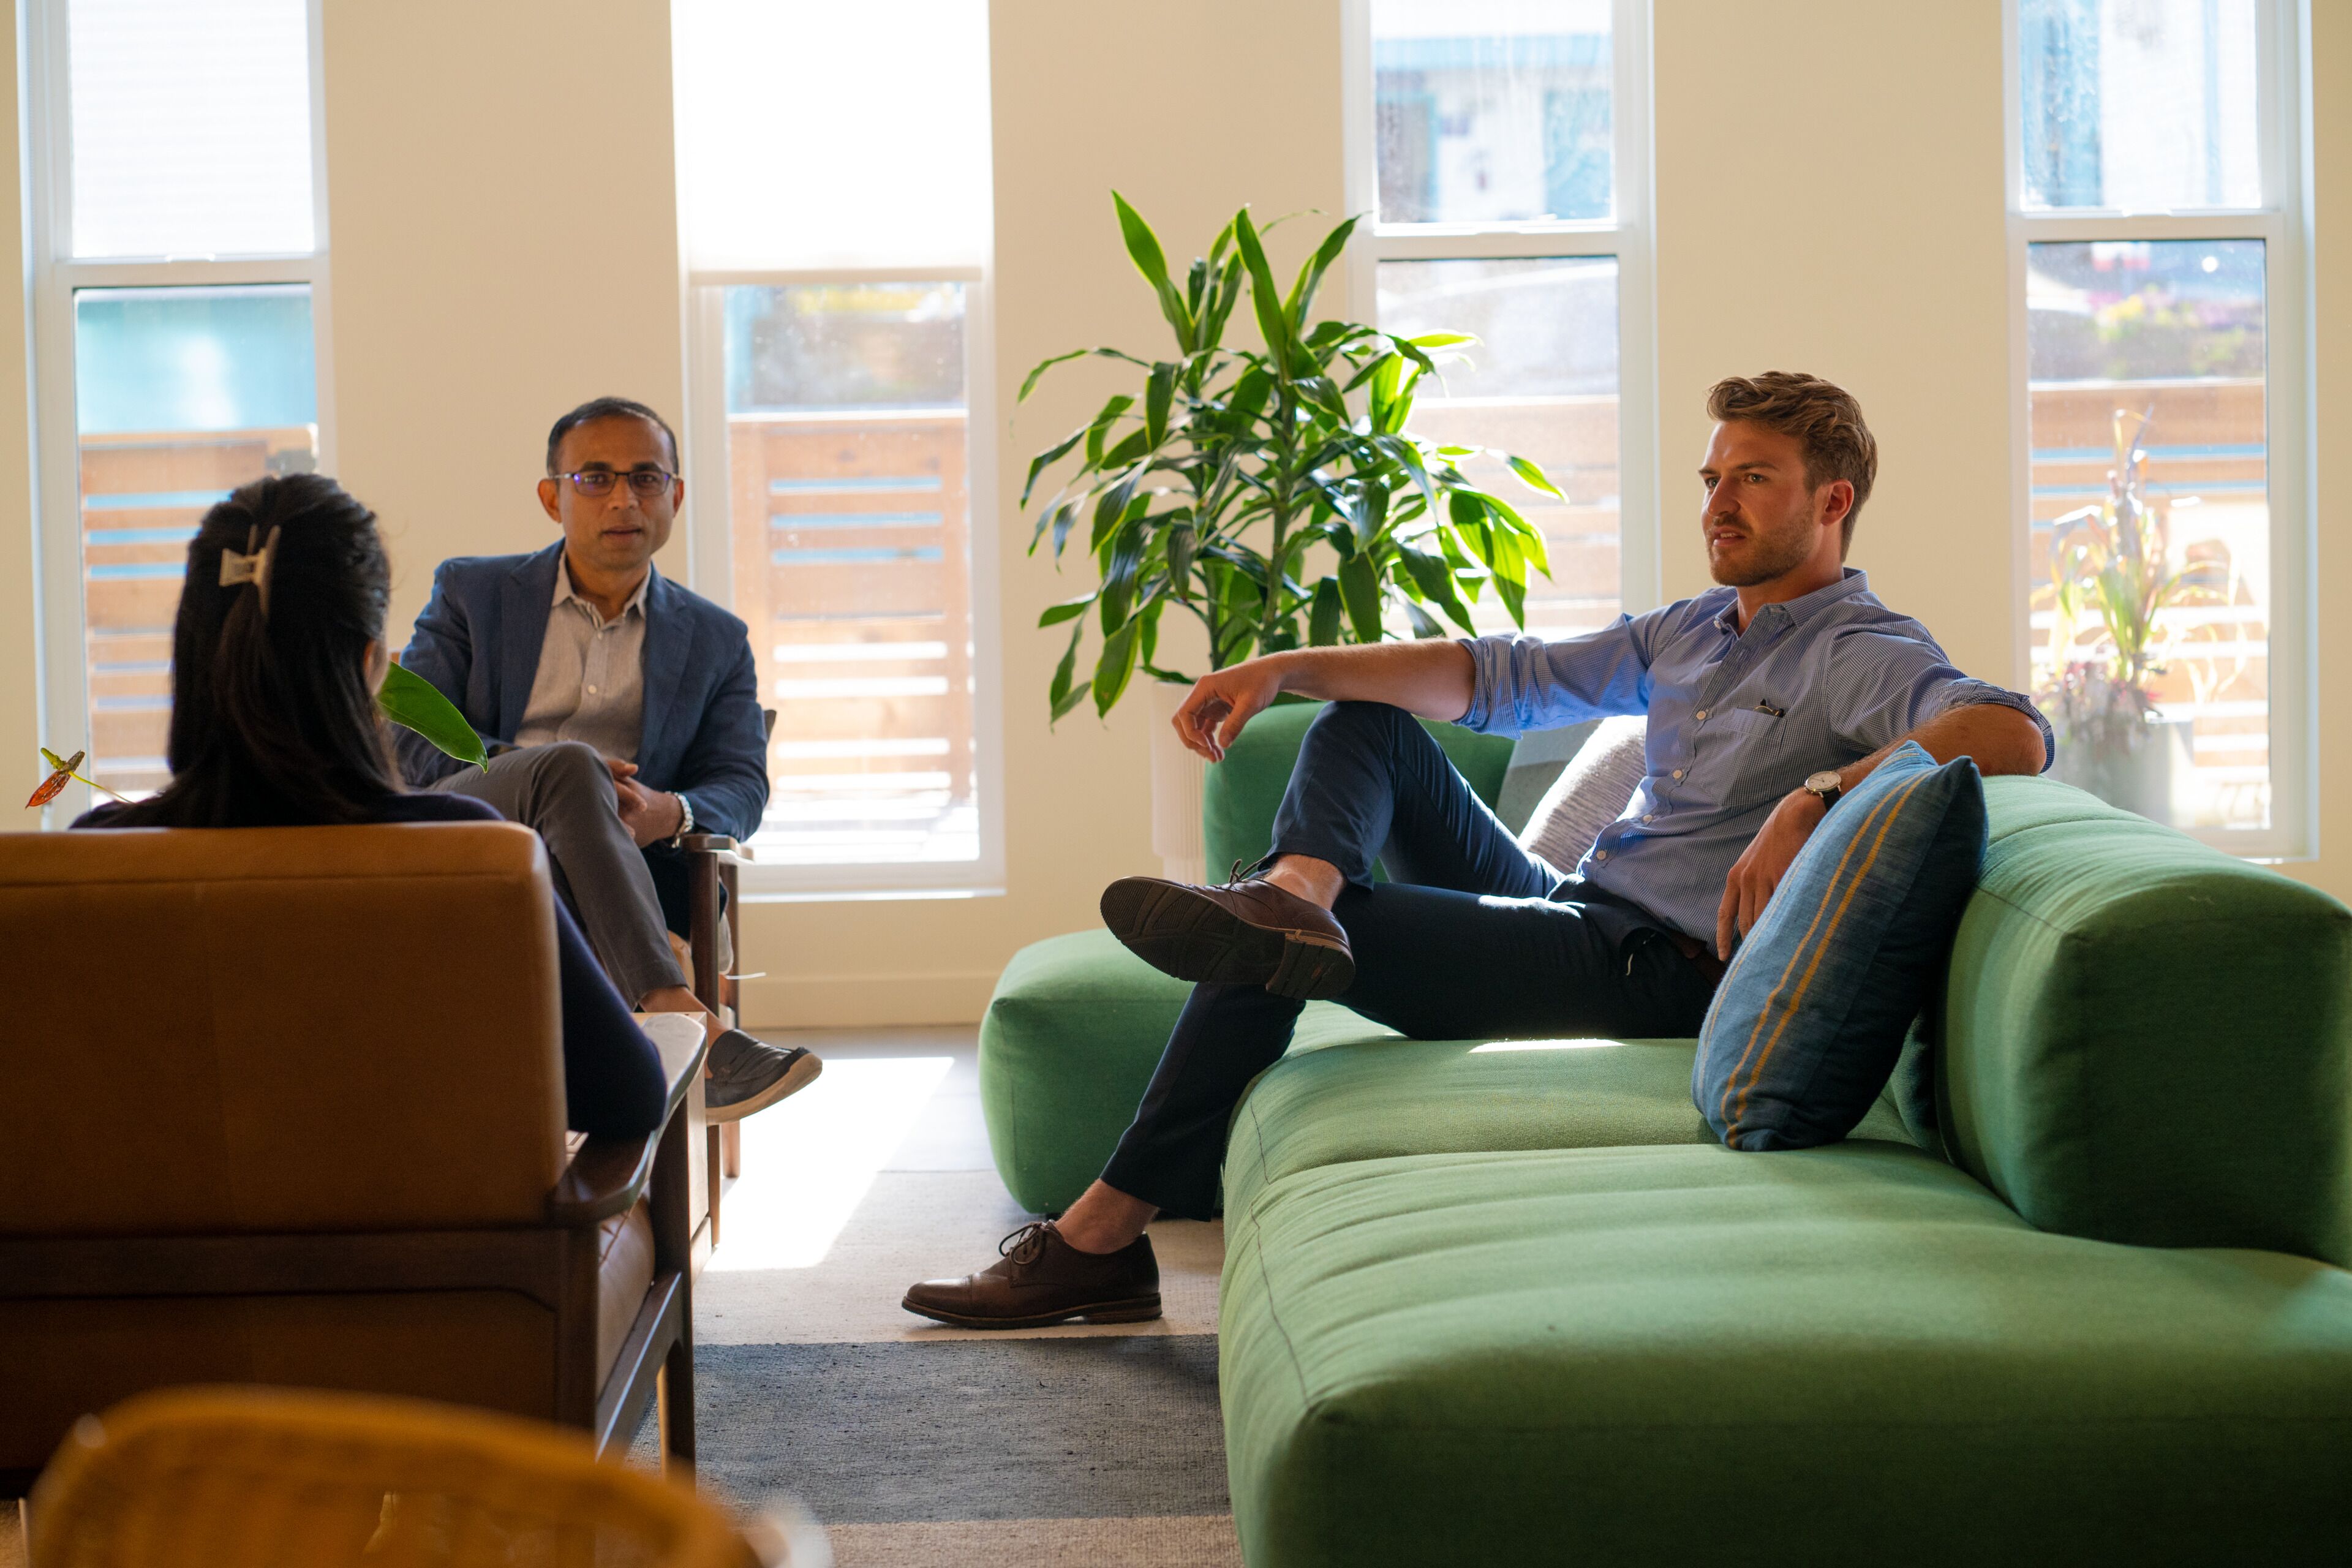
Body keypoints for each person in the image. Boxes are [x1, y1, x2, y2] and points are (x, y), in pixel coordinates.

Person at [904, 371, 2056, 1329]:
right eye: (1712, 478)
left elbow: (2010, 729)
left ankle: (1099, 1235)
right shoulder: (1694, 628)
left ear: (1833, 499)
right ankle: (1294, 893)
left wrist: (1819, 791)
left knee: (1285, 950)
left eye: (1752, 479)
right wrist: (1285, 666)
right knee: (1368, 729)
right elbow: (1490, 677)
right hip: (1582, 906)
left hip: (1658, 970)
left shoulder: (1862, 646)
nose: (1718, 503)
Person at [75, 473, 671, 1139]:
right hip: (428, 1242)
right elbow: (627, 1097)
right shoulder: (471, 856)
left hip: (158, 1245)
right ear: (370, 665)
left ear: (191, 652)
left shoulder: (94, 860)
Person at [394, 396, 818, 1123]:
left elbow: (742, 782)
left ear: (675, 496)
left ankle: (605, 1102)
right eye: (595, 478)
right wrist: (565, 777)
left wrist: (669, 811)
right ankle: (687, 1024)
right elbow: (414, 736)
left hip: (630, 865)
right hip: (480, 828)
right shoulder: (472, 593)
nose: (624, 498)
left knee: (572, 795)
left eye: (646, 478)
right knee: (570, 766)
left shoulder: (717, 637)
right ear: (551, 496)